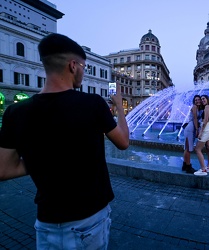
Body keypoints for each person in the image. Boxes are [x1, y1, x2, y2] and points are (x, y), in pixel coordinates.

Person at [0, 33, 129, 249]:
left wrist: (42, 160)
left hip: (47, 223)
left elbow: (3, 170)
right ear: (73, 66)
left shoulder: (15, 112)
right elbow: (123, 142)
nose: (83, 73)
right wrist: (119, 108)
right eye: (84, 68)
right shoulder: (92, 104)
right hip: (89, 219)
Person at [194, 95, 209, 176]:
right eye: (201, 99)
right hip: (208, 128)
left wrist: (200, 132)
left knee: (197, 149)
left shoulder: (207, 107)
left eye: (203, 99)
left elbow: (205, 120)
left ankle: (203, 169)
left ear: (207, 99)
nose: (202, 100)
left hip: (205, 129)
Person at [182, 95, 202, 174]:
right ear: (194, 101)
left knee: (187, 148)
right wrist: (197, 130)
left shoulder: (198, 108)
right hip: (190, 129)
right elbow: (195, 119)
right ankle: (188, 167)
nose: (197, 101)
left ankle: (184, 165)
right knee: (189, 149)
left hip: (191, 129)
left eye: (198, 100)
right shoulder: (194, 107)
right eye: (196, 100)